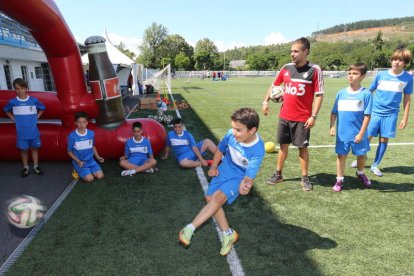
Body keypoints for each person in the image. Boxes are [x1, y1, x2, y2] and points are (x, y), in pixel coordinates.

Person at [178, 108, 265, 256]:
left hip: (239, 176)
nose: (233, 132)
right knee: (210, 199)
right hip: (224, 169)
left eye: (238, 130)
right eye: (232, 127)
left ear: (252, 130)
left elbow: (249, 176)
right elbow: (220, 150)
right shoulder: (231, 135)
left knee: (217, 199)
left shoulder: (258, 150)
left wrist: (246, 186)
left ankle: (189, 228)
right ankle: (228, 233)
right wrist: (213, 166)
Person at [262, 37, 324, 191]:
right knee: (283, 146)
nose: (292, 54)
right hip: (285, 116)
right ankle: (278, 174)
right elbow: (273, 85)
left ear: (306, 52)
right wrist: (265, 101)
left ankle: (304, 177)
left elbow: (319, 95)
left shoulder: (314, 70)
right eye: (291, 51)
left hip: (302, 118)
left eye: (296, 51)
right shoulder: (286, 68)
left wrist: (313, 116)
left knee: (302, 148)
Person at [350, 47, 413, 177]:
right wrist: (358, 101)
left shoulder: (408, 78)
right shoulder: (381, 75)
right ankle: (361, 159)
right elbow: (369, 90)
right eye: (394, 59)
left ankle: (375, 165)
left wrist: (405, 118)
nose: (396, 62)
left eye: (400, 60)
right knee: (367, 137)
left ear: (405, 63)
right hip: (375, 112)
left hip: (391, 114)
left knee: (384, 140)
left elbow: (407, 98)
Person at [329, 63, 373, 192]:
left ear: (363, 76)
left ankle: (360, 173)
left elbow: (367, 115)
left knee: (361, 155)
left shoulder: (366, 94)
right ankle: (339, 180)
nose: (351, 76)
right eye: (349, 73)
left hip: (359, 134)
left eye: (355, 73)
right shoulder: (341, 93)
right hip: (342, 134)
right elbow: (334, 112)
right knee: (341, 156)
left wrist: (361, 133)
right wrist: (332, 126)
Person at [3, 78, 46, 177]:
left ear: (26, 88)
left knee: (34, 148)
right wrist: (12, 118)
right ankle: (26, 167)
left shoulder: (33, 100)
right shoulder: (13, 102)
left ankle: (36, 166)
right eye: (17, 89)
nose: (20, 91)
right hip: (21, 132)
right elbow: (5, 109)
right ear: (14, 89)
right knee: (24, 150)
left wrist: (37, 116)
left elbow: (42, 108)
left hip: (33, 131)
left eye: (21, 88)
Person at [67, 111, 104, 182]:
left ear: (87, 122)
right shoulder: (72, 136)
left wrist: (98, 157)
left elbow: (93, 146)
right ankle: (77, 169)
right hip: (80, 163)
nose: (81, 124)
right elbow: (69, 152)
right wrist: (78, 162)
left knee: (100, 176)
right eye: (79, 122)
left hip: (91, 161)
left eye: (84, 122)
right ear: (75, 123)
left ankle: (89, 170)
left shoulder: (91, 133)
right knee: (90, 179)